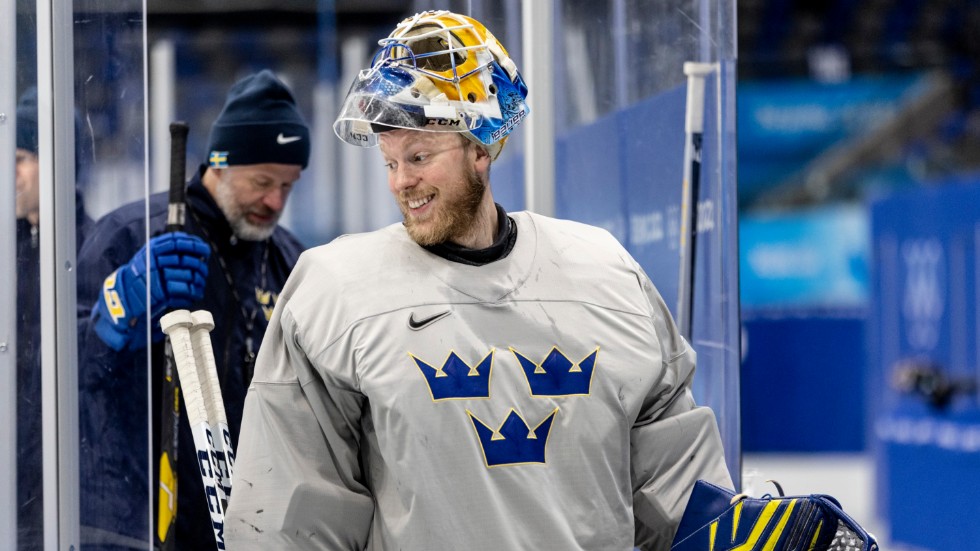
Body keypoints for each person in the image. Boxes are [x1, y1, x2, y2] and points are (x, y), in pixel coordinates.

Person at [226, 11, 732, 551]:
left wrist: (748, 535)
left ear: (481, 149)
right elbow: (291, 518)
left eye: (419, 156)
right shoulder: (335, 293)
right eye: (390, 161)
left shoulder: (606, 274)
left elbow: (680, 492)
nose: (402, 182)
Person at [76, 69, 310, 550]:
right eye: (263, 181)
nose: (275, 201)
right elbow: (52, 375)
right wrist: (114, 312)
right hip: (132, 523)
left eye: (288, 186)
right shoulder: (132, 235)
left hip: (240, 523)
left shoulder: (288, 258)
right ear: (219, 163)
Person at [14, 86, 94, 551]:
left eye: (23, 157)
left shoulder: (95, 252)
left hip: (61, 499)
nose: (11, 171)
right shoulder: (8, 256)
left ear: (59, 162)